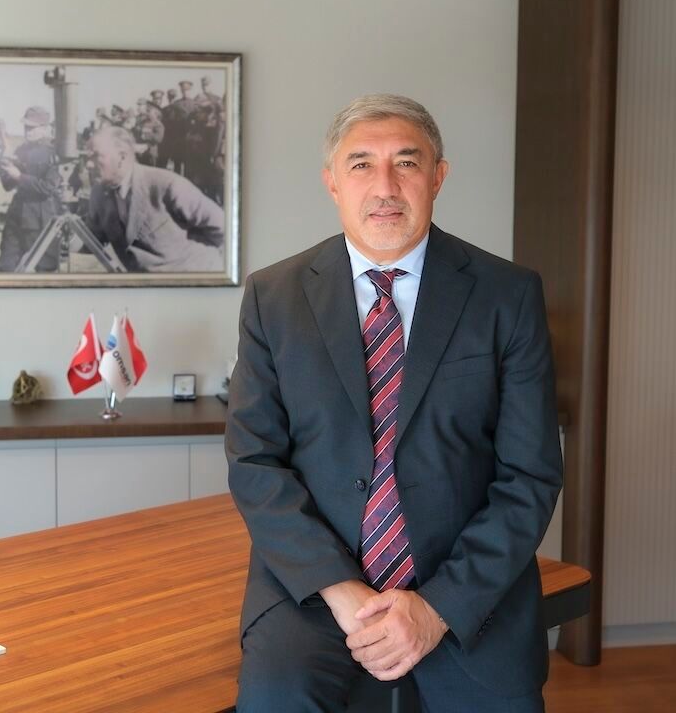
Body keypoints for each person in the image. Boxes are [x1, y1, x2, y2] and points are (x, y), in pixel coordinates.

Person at [226, 94, 562, 712]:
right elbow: (255, 463)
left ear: (438, 176)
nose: (384, 186)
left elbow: (530, 476)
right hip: (315, 591)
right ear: (332, 181)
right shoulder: (274, 299)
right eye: (361, 165)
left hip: (467, 590)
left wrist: (437, 608)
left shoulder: (507, 296)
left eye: (406, 163)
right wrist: (340, 588)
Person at [84, 126, 224, 273]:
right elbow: (92, 239)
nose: (88, 164)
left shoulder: (167, 185)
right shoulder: (99, 193)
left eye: (96, 156)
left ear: (122, 157)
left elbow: (222, 226)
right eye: (88, 157)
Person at [0, 105, 63, 272]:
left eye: (32, 127)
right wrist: (2, 162)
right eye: (26, 127)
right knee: (6, 266)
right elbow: (7, 185)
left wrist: (20, 176)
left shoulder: (53, 153)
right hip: (16, 216)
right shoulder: (21, 150)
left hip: (40, 220)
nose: (28, 131)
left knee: (45, 269)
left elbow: (48, 187)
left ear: (44, 128)